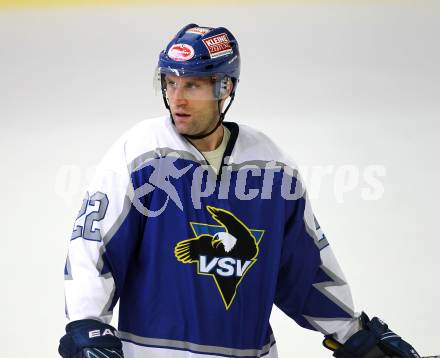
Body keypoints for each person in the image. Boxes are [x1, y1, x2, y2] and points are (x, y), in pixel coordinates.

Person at [59, 24, 421, 358]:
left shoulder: (271, 166)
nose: (176, 99)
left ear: (225, 88)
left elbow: (305, 267)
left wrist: (353, 334)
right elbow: (92, 244)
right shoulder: (142, 153)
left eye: (192, 85)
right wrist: (87, 325)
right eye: (169, 83)